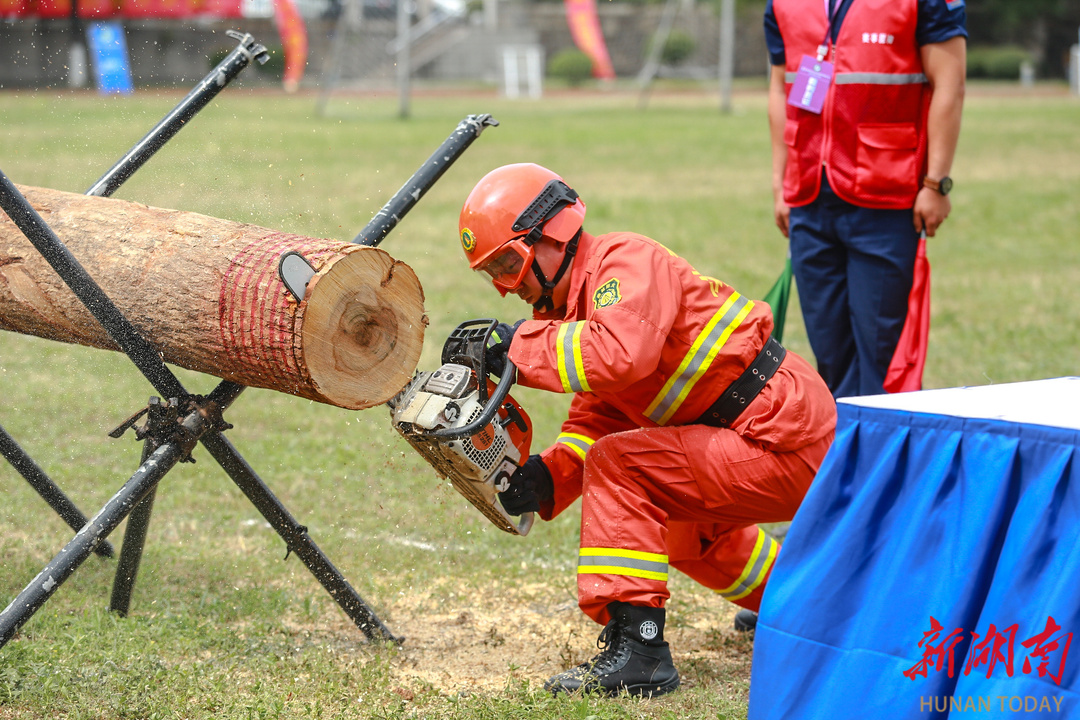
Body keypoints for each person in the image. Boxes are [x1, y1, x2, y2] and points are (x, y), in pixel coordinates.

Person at [457, 163, 837, 697]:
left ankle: (640, 654)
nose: (505, 288)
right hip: (750, 435)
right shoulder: (573, 308)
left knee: (625, 467)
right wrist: (549, 478)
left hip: (779, 433)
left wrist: (517, 346)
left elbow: (619, 357)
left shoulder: (624, 262)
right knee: (685, 534)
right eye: (492, 273)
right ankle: (808, 606)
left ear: (553, 233)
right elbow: (602, 414)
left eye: (508, 264)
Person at [765, 0, 967, 398]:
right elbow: (778, 85)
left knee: (883, 356)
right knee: (829, 355)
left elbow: (950, 83)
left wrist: (935, 182)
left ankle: (888, 457)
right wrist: (781, 182)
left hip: (888, 199)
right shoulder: (782, 4)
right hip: (808, 197)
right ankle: (843, 452)